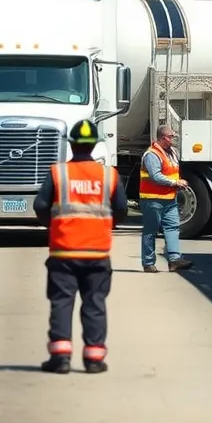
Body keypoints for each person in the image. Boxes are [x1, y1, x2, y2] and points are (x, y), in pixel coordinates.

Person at [34, 119, 128, 374]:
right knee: (95, 303)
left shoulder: (58, 173)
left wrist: (53, 227)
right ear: (94, 146)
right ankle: (94, 358)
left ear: (72, 145)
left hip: (64, 251)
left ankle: (61, 358)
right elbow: (121, 209)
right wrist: (104, 226)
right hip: (97, 253)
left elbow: (40, 207)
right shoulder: (109, 175)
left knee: (62, 302)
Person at [138, 124, 194, 273]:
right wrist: (175, 183)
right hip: (152, 200)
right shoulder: (152, 154)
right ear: (163, 138)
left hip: (170, 198)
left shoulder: (172, 153)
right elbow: (155, 176)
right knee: (151, 231)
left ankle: (175, 260)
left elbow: (171, 172)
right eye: (171, 136)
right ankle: (148, 263)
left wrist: (178, 183)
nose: (173, 138)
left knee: (173, 228)